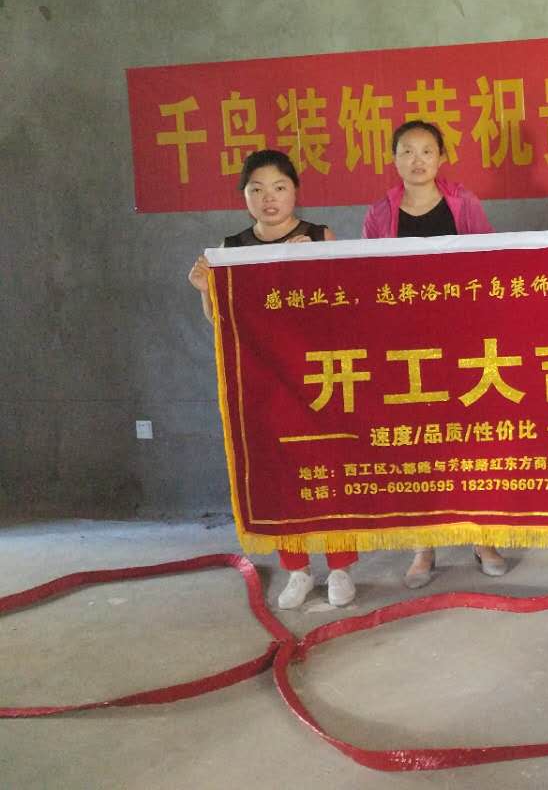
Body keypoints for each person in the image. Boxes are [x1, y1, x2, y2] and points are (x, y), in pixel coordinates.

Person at [187, 149, 358, 610]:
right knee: (280, 474)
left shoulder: (320, 237)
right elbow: (222, 323)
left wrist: (315, 262)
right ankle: (297, 569)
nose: (269, 198)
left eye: (279, 188)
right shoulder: (232, 249)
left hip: (319, 375)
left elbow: (345, 306)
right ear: (244, 196)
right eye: (257, 189)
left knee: (329, 467)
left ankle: (340, 568)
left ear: (294, 191)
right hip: (265, 381)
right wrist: (206, 291)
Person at [362, 119, 510, 587]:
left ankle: (482, 538)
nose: (417, 160)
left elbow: (491, 259)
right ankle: (423, 547)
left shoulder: (464, 203)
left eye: (427, 150)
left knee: (471, 442)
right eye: (407, 151)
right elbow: (366, 276)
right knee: (419, 445)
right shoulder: (379, 214)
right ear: (394, 159)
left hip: (463, 338)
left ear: (442, 158)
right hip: (407, 344)